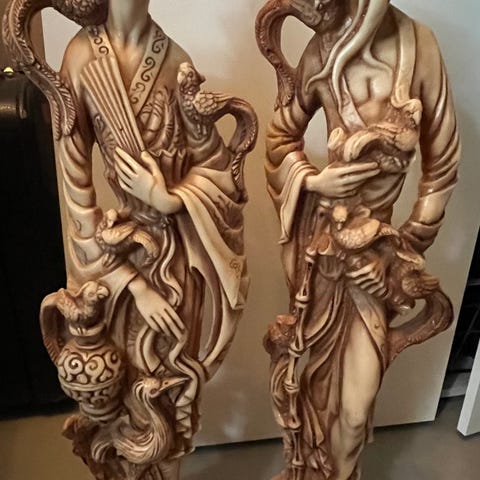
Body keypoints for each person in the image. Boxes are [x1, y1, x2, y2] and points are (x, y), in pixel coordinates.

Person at [9, 0, 250, 476]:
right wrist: (133, 284)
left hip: (180, 257)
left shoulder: (175, 60)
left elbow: (218, 169)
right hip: (120, 265)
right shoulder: (81, 58)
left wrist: (167, 199)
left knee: (172, 392)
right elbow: (77, 201)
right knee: (128, 398)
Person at [258, 0, 459, 479]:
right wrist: (312, 180)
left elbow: (442, 163)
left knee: (355, 409)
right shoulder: (320, 50)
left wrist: (404, 250)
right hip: (322, 253)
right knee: (311, 387)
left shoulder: (418, 46)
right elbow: (279, 140)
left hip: (375, 263)